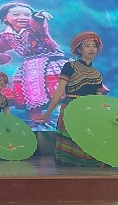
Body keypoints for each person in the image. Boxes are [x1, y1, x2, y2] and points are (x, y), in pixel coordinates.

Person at [0, 2, 67, 121]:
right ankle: (36, 124)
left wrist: (38, 17)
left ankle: (67, 121)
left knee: (60, 94)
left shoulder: (34, 28)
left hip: (52, 63)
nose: (22, 17)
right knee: (30, 97)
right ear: (5, 18)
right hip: (29, 68)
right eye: (16, 14)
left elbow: (39, 25)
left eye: (27, 15)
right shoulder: (6, 36)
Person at [38, 31, 105, 167]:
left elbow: (99, 98)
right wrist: (48, 113)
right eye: (87, 46)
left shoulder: (97, 73)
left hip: (90, 110)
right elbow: (59, 91)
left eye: (94, 46)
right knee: (75, 138)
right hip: (72, 107)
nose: (91, 49)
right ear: (79, 50)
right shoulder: (70, 66)